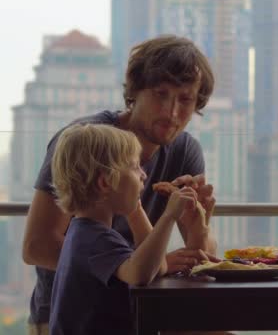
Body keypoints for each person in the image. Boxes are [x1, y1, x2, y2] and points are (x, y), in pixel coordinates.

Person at [22, 35, 218, 334]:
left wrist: (197, 228)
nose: (172, 112)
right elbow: (37, 246)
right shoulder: (87, 142)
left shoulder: (184, 151)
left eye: (185, 99)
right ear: (135, 91)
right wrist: (141, 265)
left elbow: (199, 256)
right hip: (73, 319)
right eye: (160, 94)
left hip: (139, 313)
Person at [48, 124, 199, 334]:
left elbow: (158, 267)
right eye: (135, 166)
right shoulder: (94, 240)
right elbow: (140, 274)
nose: (144, 175)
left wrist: (135, 209)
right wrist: (169, 215)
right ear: (105, 183)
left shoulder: (83, 231)